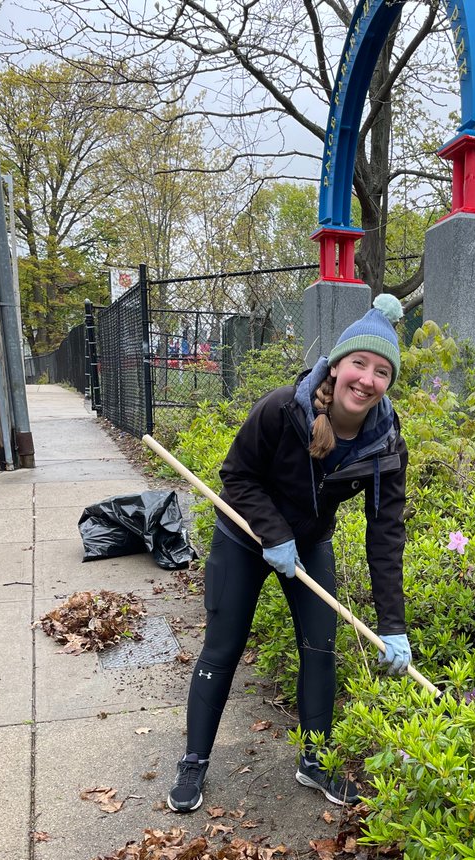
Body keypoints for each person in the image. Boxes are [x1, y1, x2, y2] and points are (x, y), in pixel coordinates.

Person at [167, 295, 412, 814]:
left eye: (382, 371)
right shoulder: (284, 408)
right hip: (242, 535)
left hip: (310, 544)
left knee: (320, 649)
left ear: (389, 382)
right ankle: (194, 762)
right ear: (339, 364)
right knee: (223, 647)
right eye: (359, 364)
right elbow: (236, 476)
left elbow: (385, 536)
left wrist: (394, 625)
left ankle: (315, 762)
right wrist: (273, 533)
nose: (367, 379)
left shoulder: (385, 443)